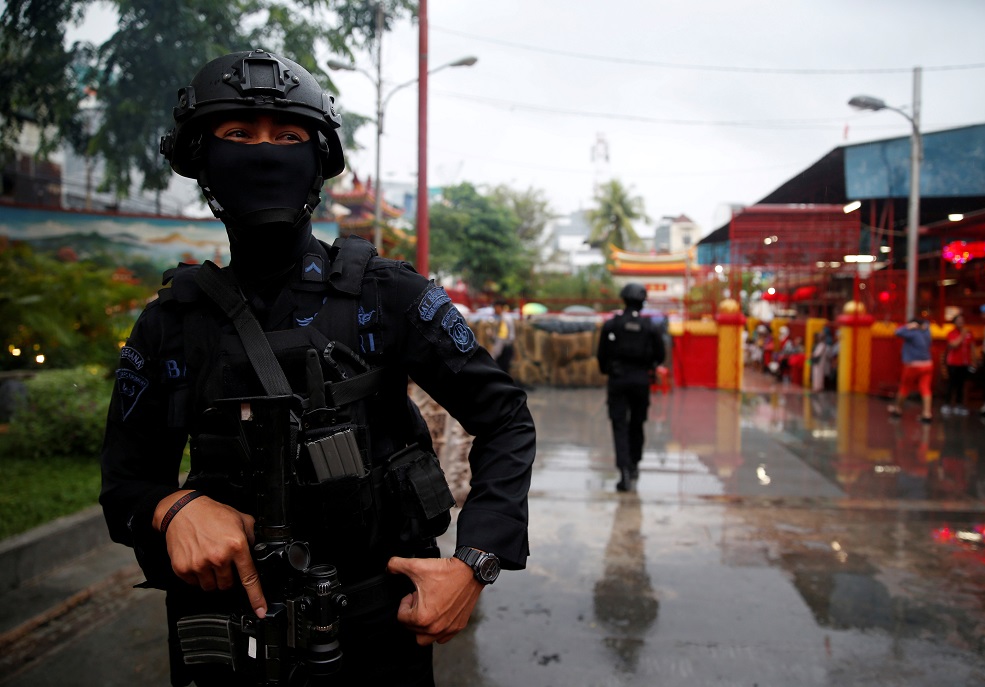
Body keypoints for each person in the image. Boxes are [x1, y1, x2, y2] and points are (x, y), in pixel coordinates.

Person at [99, 49, 535, 687]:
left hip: (377, 631)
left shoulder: (390, 295)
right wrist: (174, 509)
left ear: (317, 160)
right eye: (238, 135)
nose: (264, 152)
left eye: (287, 136)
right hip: (224, 640)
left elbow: (505, 419)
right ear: (201, 160)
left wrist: (474, 563)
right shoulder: (170, 322)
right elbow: (125, 484)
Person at [596, 283, 666, 492]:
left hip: (618, 380)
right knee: (637, 423)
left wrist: (609, 370)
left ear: (623, 300)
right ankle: (634, 464)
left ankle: (624, 470)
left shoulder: (612, 325)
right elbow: (660, 355)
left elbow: (602, 354)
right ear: (642, 301)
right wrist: (648, 367)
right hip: (640, 381)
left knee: (619, 425)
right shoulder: (650, 327)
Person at [888, 317, 934, 423]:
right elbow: (927, 324)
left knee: (904, 387)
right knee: (925, 388)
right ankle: (927, 413)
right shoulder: (926, 332)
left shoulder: (912, 332)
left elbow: (897, 332)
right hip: (927, 364)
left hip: (913, 365)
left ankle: (897, 409)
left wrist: (908, 326)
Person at [942, 314, 974, 416]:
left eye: (962, 320)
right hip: (953, 363)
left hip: (965, 363)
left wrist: (974, 361)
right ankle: (947, 404)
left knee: (961, 384)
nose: (960, 322)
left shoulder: (970, 334)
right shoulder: (951, 333)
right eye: (958, 320)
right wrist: (962, 335)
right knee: (952, 384)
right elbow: (954, 345)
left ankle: (959, 405)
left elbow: (972, 347)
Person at [488, 298, 516, 375]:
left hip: (505, 346)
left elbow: (505, 336)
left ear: (500, 307)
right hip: (500, 345)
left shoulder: (506, 319)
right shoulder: (497, 318)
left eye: (496, 307)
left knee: (503, 368)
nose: (495, 309)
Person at [810, 325, 835, 392]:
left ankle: (818, 387)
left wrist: (812, 355)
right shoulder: (820, 344)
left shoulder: (823, 345)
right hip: (818, 362)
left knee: (818, 374)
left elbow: (817, 353)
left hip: (820, 362)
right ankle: (816, 386)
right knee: (816, 374)